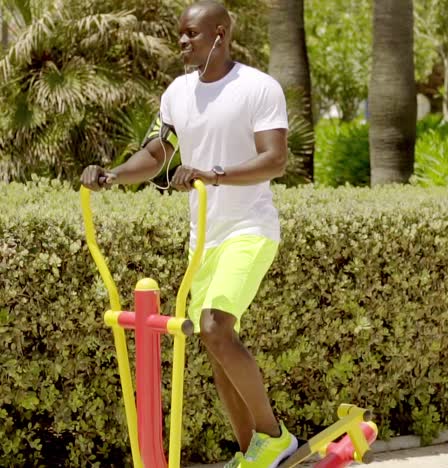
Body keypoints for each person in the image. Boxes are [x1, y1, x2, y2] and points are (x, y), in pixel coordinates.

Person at [80, 1, 297, 466]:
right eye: (179, 33)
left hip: (249, 229)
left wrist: (213, 174)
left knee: (217, 328)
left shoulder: (258, 88)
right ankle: (251, 453)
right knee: (213, 340)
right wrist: (112, 176)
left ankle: (275, 437)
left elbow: (275, 160)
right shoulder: (177, 93)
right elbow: (158, 153)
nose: (182, 41)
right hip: (206, 238)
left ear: (220, 33)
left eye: (192, 33)